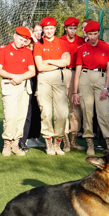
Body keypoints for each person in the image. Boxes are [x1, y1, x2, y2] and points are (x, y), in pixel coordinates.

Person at [71, 21, 109, 155]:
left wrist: (106, 87)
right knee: (87, 111)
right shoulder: (82, 49)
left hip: (101, 79)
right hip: (85, 78)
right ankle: (90, 142)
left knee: (104, 112)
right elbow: (77, 72)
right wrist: (75, 92)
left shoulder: (106, 47)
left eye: (95, 34)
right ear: (86, 34)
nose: (93, 37)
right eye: (90, 34)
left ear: (98, 33)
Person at [0, 27, 36, 157]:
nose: (22, 42)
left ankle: (15, 144)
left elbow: (32, 71)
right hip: (9, 85)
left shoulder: (27, 52)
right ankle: (7, 143)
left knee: (21, 116)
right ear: (14, 36)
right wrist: (13, 76)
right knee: (10, 116)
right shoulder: (4, 50)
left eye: (25, 40)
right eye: (20, 39)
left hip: (24, 86)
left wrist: (20, 78)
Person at [33, 17, 70, 155]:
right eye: (46, 28)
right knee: (46, 112)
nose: (49, 31)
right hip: (44, 79)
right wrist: (57, 62)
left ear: (55, 28)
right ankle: (48, 142)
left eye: (51, 28)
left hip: (59, 77)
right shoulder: (38, 44)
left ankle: (58, 143)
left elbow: (66, 61)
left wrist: (48, 60)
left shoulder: (62, 42)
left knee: (61, 113)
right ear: (42, 29)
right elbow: (40, 66)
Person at [61, 17, 85, 151]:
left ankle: (74, 140)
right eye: (70, 28)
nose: (73, 31)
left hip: (77, 74)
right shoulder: (60, 41)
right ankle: (65, 141)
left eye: (75, 28)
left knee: (76, 108)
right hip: (64, 73)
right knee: (63, 108)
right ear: (65, 28)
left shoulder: (81, 41)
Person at [19, 22, 42, 151]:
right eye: (36, 31)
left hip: (41, 79)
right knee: (28, 108)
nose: (38, 33)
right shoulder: (27, 46)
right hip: (29, 79)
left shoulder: (41, 45)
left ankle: (35, 136)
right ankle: (24, 137)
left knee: (38, 108)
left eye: (40, 31)